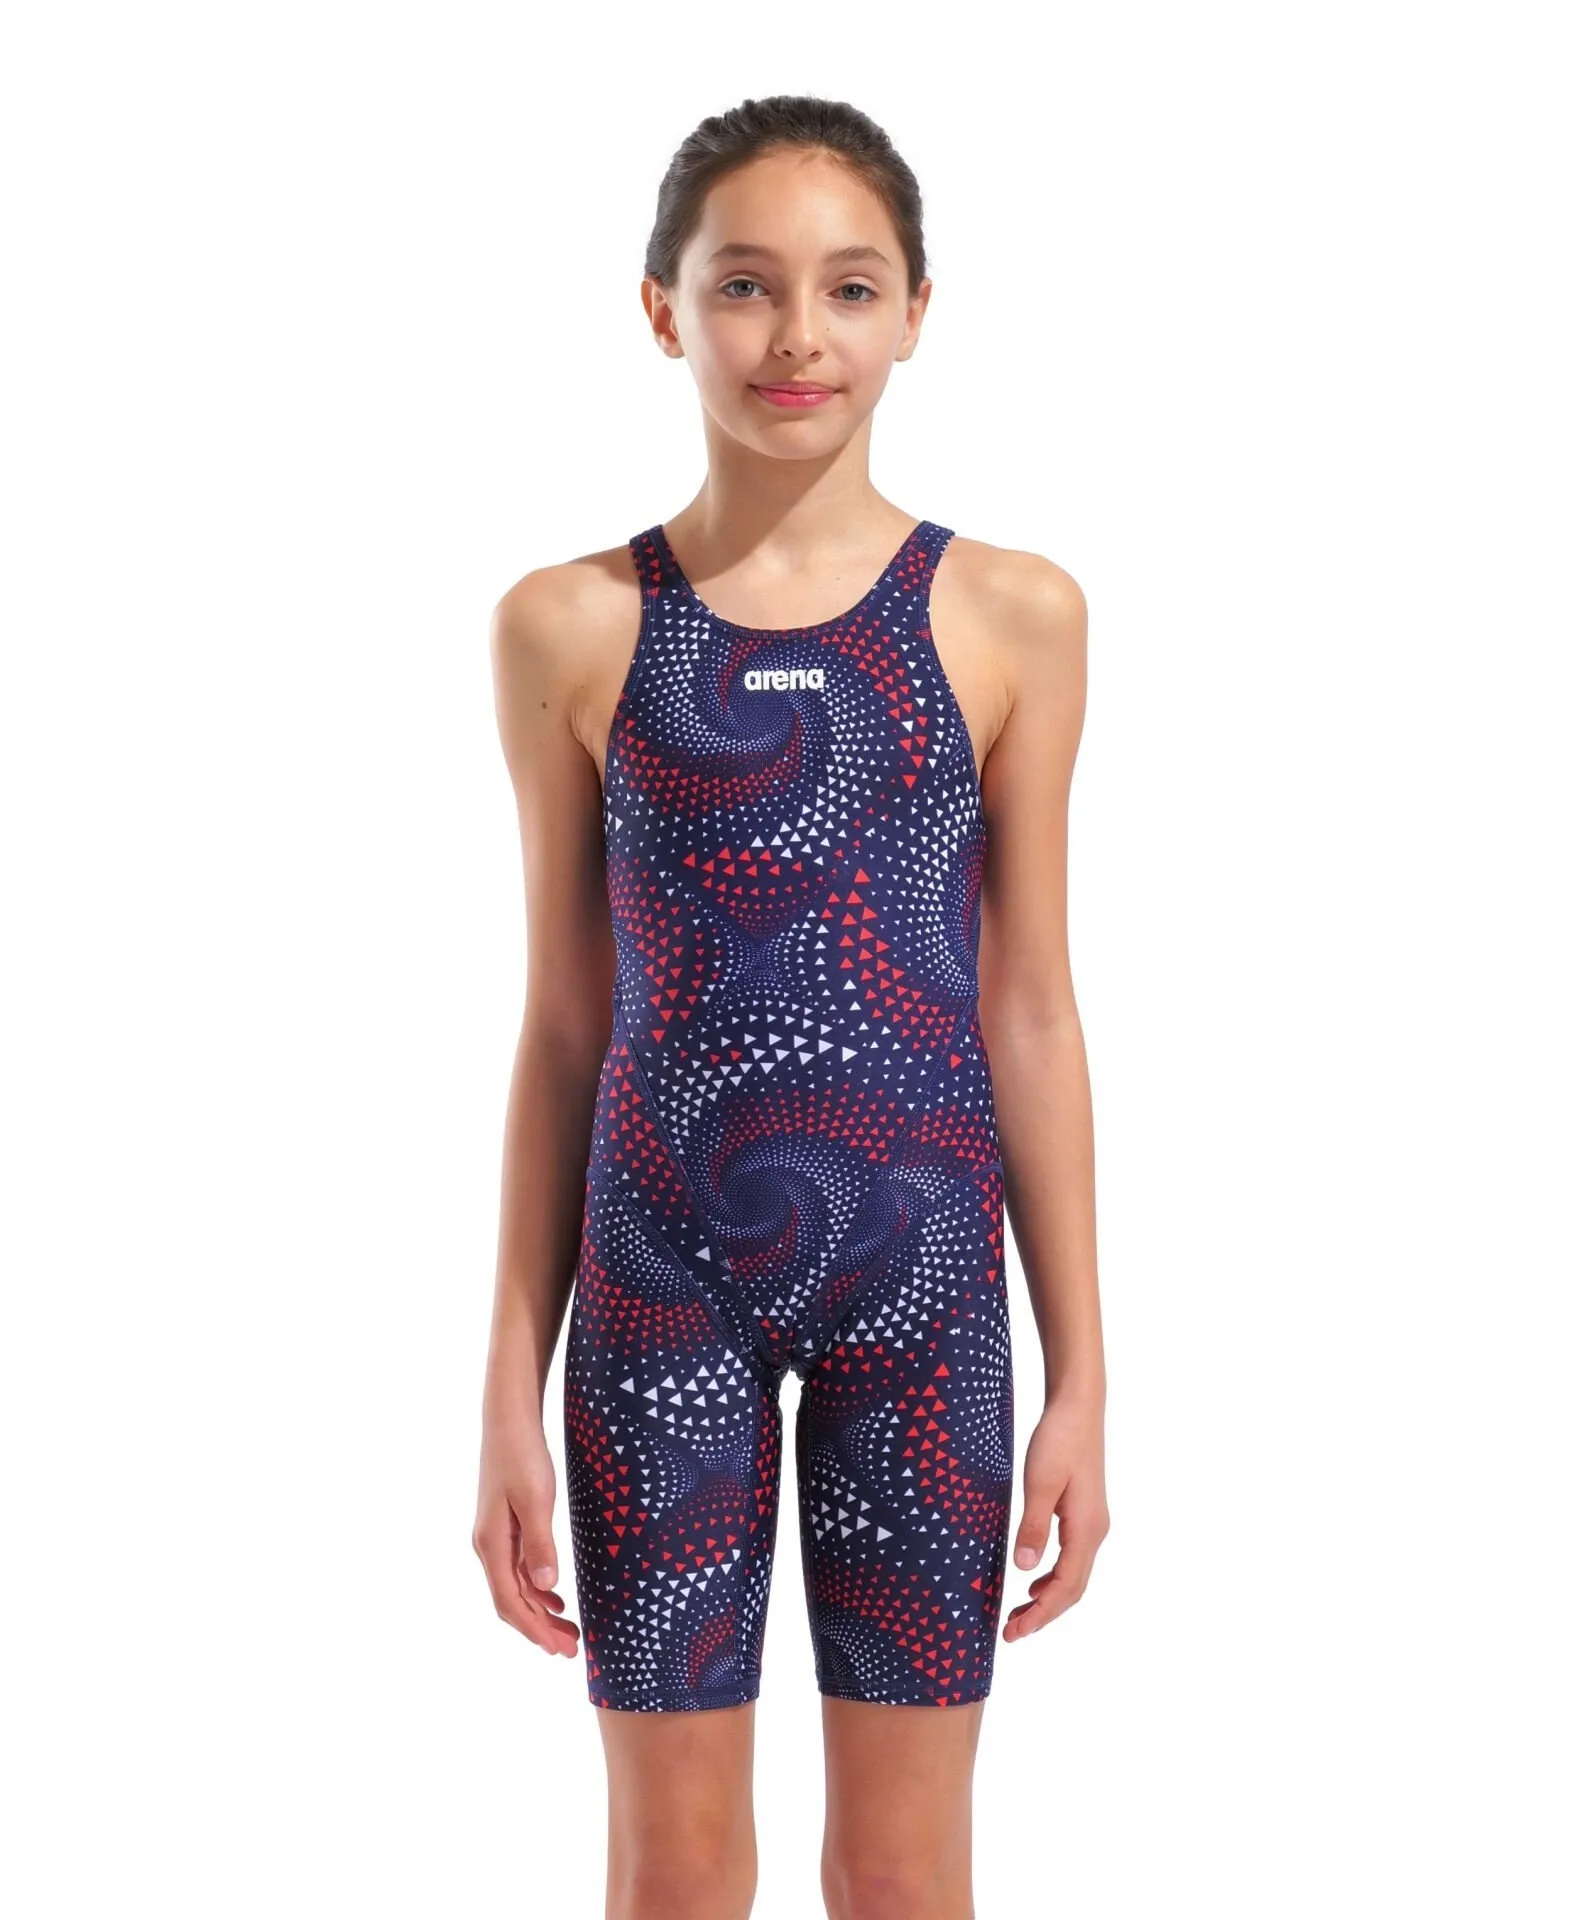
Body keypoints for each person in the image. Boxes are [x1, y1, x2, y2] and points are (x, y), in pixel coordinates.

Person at [475, 92, 1109, 1920]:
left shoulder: (1010, 616)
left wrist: (1082, 1371)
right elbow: (564, 1026)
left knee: (900, 1876)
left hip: (925, 1300)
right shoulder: (570, 627)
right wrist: (508, 1384)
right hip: (655, 1299)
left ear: (915, 312)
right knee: (674, 1875)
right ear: (662, 309)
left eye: (848, 287)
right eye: (744, 285)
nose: (796, 337)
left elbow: (1031, 1009)